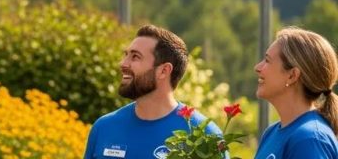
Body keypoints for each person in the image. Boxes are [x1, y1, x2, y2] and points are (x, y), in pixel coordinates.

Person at [84, 25, 222, 159]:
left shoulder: (203, 135)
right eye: (126, 55)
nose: (123, 63)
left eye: (135, 57)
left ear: (163, 71)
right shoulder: (103, 128)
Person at [254, 27, 338, 158]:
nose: (257, 68)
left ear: (292, 75)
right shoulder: (271, 133)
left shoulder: (309, 139)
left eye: (267, 60)